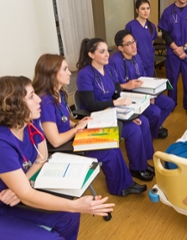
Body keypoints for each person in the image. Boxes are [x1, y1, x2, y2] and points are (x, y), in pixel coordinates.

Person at [0, 76, 114, 239]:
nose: (38, 100)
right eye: (31, 96)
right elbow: (27, 196)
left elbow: (42, 157)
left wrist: (19, 187)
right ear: (13, 106)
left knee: (69, 217)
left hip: (5, 203)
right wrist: (74, 204)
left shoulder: (29, 124)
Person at [32, 54, 147, 196]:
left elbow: (63, 120)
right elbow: (55, 141)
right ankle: (120, 187)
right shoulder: (45, 102)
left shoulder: (58, 93)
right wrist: (76, 129)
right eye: (65, 69)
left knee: (112, 140)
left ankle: (125, 183)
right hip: (63, 146)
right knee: (108, 150)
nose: (70, 73)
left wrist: (77, 123)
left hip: (71, 135)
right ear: (51, 73)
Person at [76, 37, 155, 182]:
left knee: (142, 121)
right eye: (102, 51)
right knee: (133, 129)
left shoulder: (110, 69)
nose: (107, 55)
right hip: (96, 117)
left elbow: (117, 92)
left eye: (107, 51)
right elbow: (91, 105)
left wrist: (129, 114)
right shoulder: (84, 75)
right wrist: (116, 103)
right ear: (91, 54)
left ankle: (141, 164)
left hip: (113, 112)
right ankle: (137, 168)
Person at [109, 30, 175, 139]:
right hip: (127, 97)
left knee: (169, 103)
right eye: (129, 44)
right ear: (120, 48)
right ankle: (150, 132)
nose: (134, 46)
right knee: (155, 112)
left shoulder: (136, 56)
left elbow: (143, 77)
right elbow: (112, 87)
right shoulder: (114, 61)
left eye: (134, 41)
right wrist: (126, 85)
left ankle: (150, 129)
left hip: (143, 92)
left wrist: (150, 95)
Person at [125, 0, 157, 77]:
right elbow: (127, 45)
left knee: (148, 85)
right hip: (135, 61)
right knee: (138, 86)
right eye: (143, 9)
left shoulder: (152, 26)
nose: (146, 11)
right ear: (137, 10)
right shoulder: (130, 26)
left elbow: (151, 43)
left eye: (148, 8)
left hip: (149, 61)